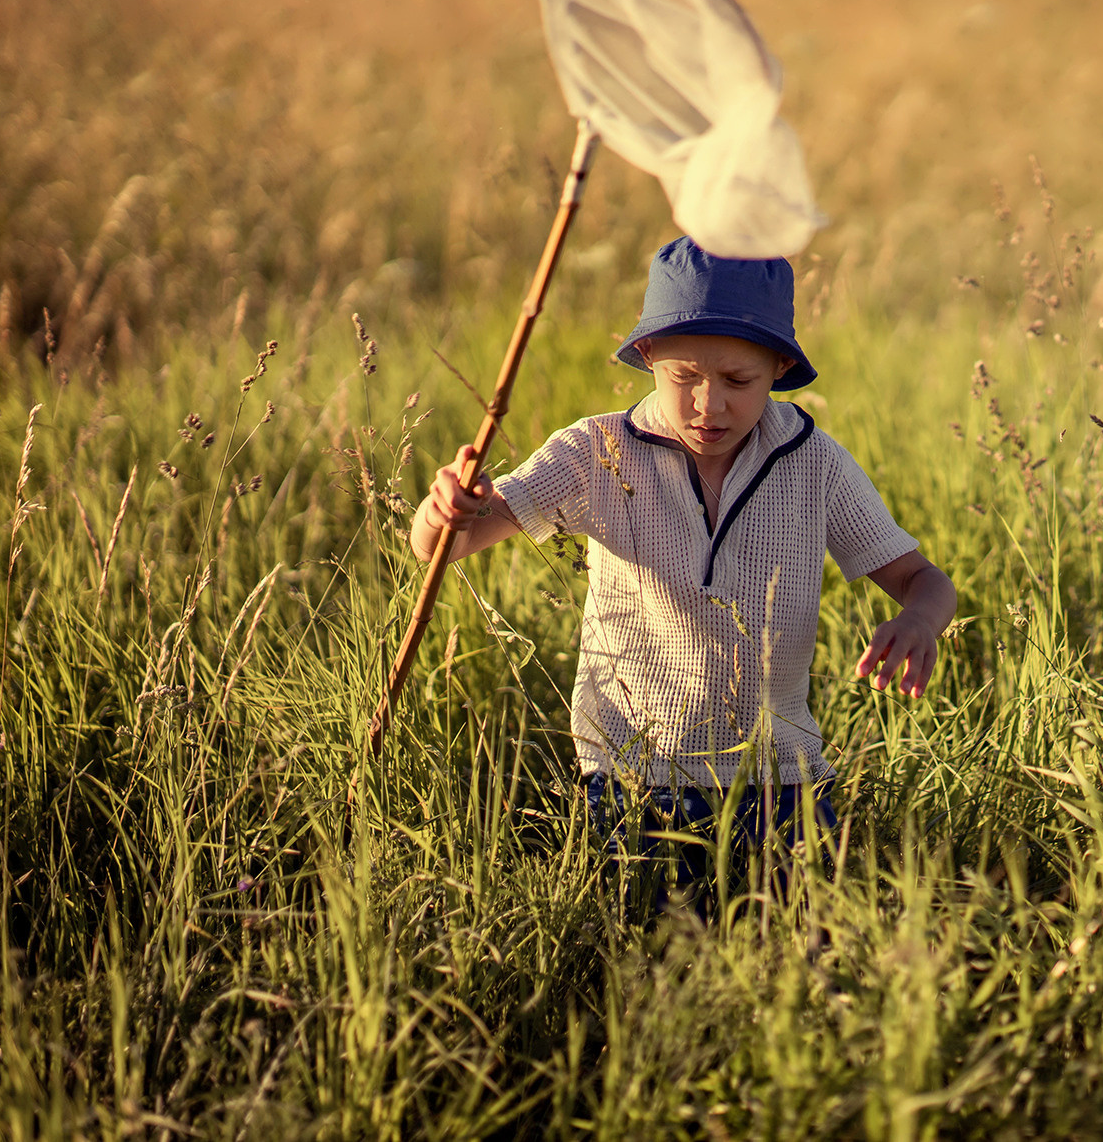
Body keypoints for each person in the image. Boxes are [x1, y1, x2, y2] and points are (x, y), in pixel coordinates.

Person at [407, 236, 956, 913]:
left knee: (800, 948)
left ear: (779, 366)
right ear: (646, 358)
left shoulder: (814, 462)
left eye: (737, 381)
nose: (709, 405)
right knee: (651, 950)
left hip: (778, 779)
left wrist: (919, 619)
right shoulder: (596, 451)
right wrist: (446, 513)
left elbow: (925, 578)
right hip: (636, 775)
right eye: (685, 377)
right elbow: (448, 544)